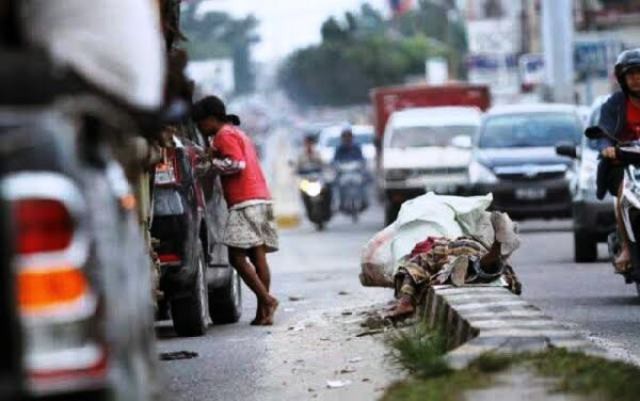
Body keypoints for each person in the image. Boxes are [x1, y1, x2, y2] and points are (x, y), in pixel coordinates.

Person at [192, 96, 279, 326]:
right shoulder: (237, 133)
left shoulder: (224, 135)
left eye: (200, 123)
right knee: (257, 256)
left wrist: (210, 166)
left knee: (237, 257)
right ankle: (264, 312)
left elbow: (236, 163)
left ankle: (267, 300)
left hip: (244, 201)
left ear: (210, 119)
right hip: (260, 197)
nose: (200, 129)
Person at [594, 49, 640, 272]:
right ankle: (627, 247)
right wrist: (607, 149)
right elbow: (603, 133)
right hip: (624, 165)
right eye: (630, 74)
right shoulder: (614, 104)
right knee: (624, 192)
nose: (636, 78)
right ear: (622, 78)